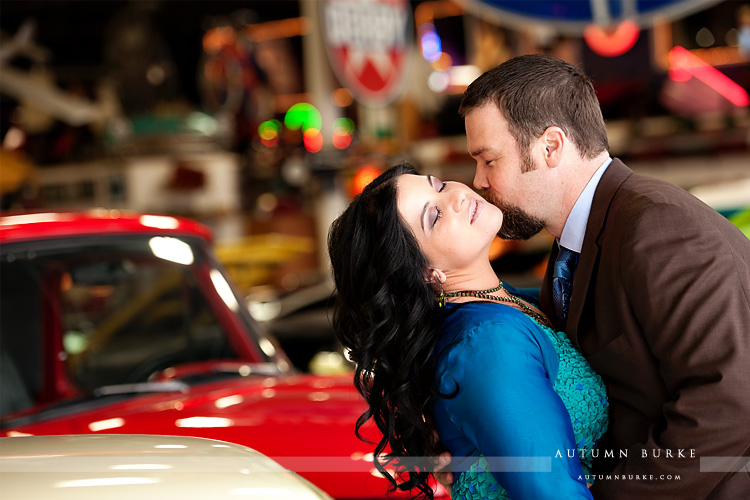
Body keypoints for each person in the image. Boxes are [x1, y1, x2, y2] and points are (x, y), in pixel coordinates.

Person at [434, 54, 750, 499]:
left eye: (488, 160)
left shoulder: (659, 230)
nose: (479, 181)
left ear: (551, 146)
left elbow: (729, 408)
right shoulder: (577, 244)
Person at [327, 163, 609, 499]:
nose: (457, 196)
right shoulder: (485, 342)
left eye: (440, 185)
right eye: (433, 216)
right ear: (426, 272)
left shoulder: (512, 302)